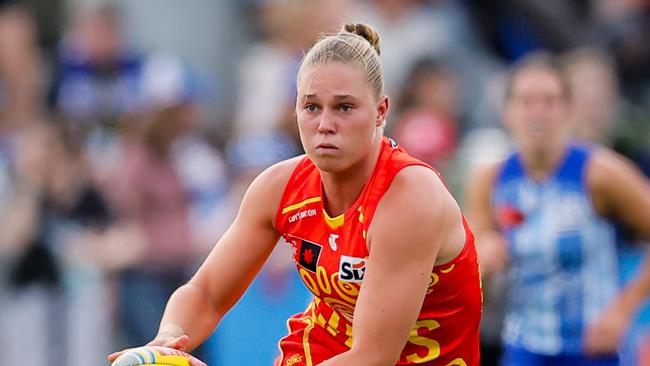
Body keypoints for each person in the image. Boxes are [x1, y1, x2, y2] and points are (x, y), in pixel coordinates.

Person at [109, 23, 482, 366]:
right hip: (323, 352)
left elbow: (373, 356)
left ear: (381, 111)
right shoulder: (278, 187)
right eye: (311, 107)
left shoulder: (410, 197)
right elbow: (206, 293)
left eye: (344, 107)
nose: (325, 125)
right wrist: (166, 343)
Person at [466, 53, 650, 365]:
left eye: (549, 101)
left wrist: (622, 312)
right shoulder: (492, 179)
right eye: (526, 101)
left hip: (592, 348)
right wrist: (483, 257)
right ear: (507, 111)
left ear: (567, 110)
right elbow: (471, 267)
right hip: (524, 346)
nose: (537, 112)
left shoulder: (599, 172)